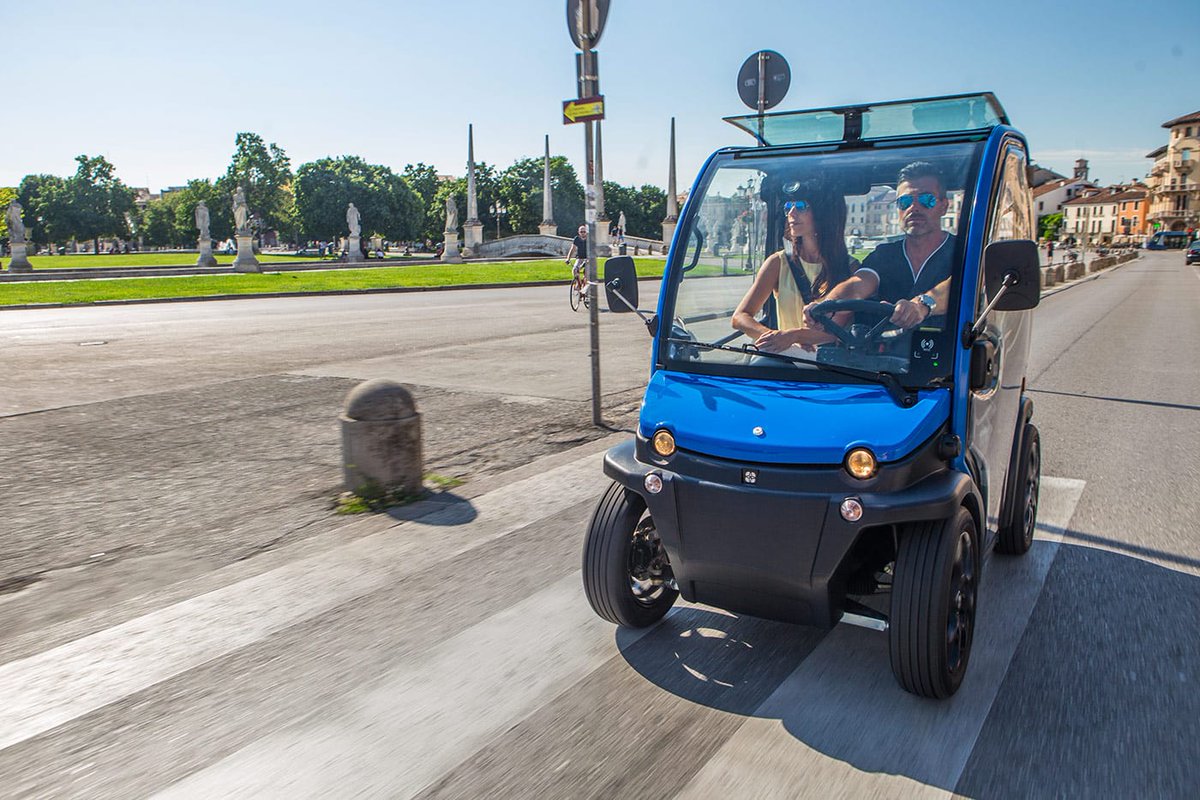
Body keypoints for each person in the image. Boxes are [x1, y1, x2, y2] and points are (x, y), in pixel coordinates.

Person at [805, 161, 953, 331]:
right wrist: (826, 306)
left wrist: (922, 305)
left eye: (926, 200)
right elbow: (857, 285)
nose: (914, 207)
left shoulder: (964, 251)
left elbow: (960, 285)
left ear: (944, 206)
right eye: (904, 202)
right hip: (886, 347)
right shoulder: (885, 254)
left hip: (949, 346)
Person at [732, 182, 857, 353]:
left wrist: (794, 336)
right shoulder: (778, 262)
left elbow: (834, 333)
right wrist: (776, 338)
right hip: (787, 361)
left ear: (824, 213)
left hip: (831, 364)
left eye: (800, 206)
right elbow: (740, 316)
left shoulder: (851, 269)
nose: (791, 213)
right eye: (788, 206)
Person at [564, 224, 588, 289]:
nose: (583, 233)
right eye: (581, 232)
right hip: (579, 258)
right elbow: (572, 249)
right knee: (575, 270)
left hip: (587, 258)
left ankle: (584, 284)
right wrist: (568, 259)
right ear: (578, 232)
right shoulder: (577, 239)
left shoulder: (589, 239)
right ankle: (579, 283)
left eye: (584, 232)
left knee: (587, 272)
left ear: (586, 232)